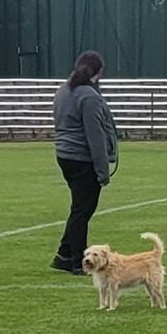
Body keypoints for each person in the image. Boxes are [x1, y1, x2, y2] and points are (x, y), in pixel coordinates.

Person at [51, 51, 118, 274]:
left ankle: (64, 254)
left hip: (64, 155)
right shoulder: (88, 96)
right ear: (98, 72)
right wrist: (103, 170)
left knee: (78, 207)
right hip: (82, 159)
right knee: (83, 211)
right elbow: (95, 136)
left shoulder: (63, 91)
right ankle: (77, 262)